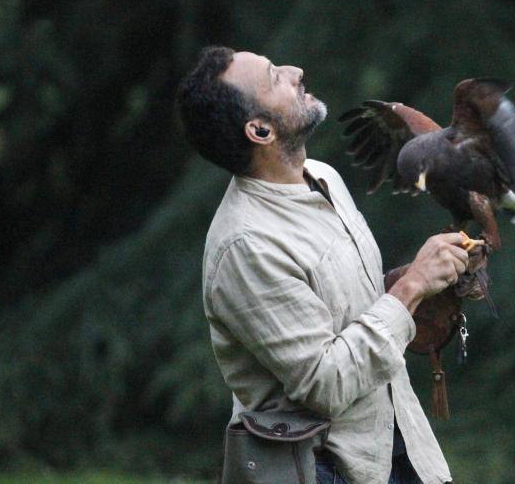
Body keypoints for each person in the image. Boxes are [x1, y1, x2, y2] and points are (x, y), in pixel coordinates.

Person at [177, 46, 468, 484]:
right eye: (275, 77)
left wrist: (417, 282)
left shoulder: (322, 175)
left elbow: (349, 314)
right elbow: (325, 383)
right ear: (259, 129)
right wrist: (409, 292)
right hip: (323, 467)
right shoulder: (246, 245)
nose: (296, 72)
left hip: (399, 446)